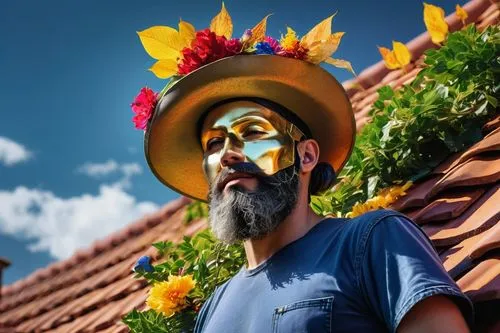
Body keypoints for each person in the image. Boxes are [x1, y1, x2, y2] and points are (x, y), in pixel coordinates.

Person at [133, 6, 473, 332]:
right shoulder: (212, 309)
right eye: (213, 144)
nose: (227, 155)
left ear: (306, 155)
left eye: (252, 132)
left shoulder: (370, 241)